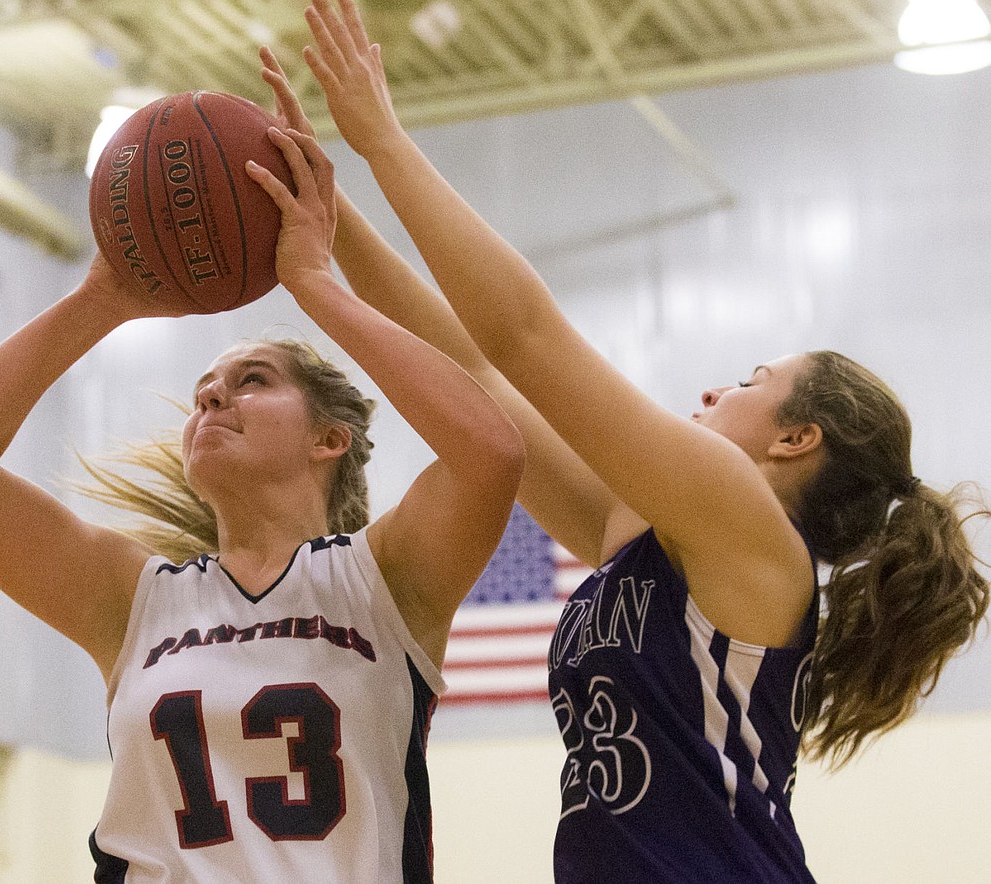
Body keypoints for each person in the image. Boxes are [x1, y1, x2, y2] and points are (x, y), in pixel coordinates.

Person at [275, 1, 991, 880]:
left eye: (749, 381)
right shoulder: (644, 536)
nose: (712, 390)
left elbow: (524, 337)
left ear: (797, 439)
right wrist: (325, 209)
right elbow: (475, 375)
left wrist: (382, 139)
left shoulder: (751, 529)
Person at [0, 114, 524, 882]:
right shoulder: (136, 601)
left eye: (251, 381)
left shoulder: (384, 580)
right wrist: (101, 298)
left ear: (330, 438)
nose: (214, 399)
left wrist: (317, 285)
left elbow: (491, 452)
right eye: (203, 394)